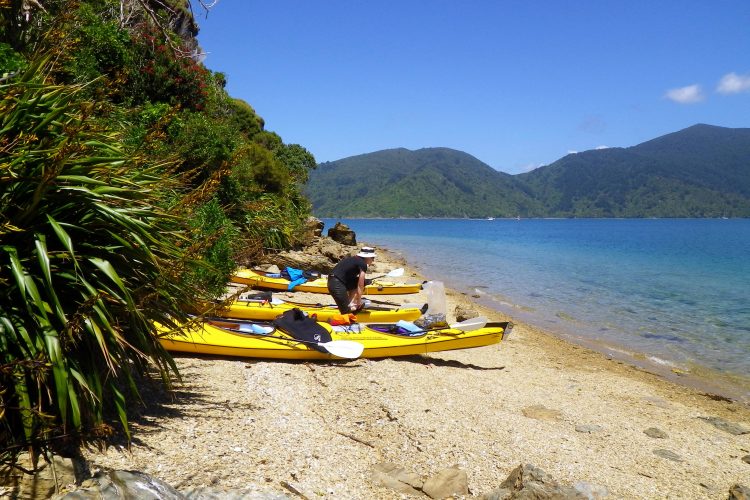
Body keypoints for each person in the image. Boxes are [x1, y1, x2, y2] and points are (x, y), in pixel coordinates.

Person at [327, 246, 376, 313]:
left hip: (335, 281)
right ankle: (351, 307)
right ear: (367, 257)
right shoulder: (363, 264)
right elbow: (360, 285)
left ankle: (351, 303)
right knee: (346, 312)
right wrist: (359, 300)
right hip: (336, 284)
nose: (373, 260)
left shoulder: (354, 259)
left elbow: (358, 282)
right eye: (372, 258)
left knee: (366, 281)